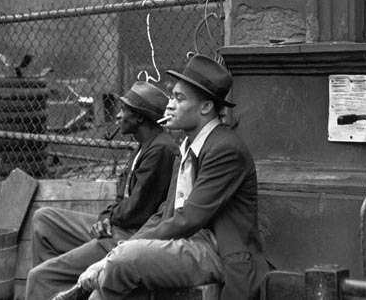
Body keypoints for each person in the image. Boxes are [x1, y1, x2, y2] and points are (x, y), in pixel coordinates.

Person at [47, 55, 270, 300]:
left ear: (206, 107)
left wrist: (123, 252)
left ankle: (85, 287)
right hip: (187, 244)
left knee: (125, 261)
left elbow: (188, 219)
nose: (169, 105)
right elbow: (166, 211)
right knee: (118, 266)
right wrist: (126, 246)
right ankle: (88, 287)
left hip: (217, 252)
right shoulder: (187, 146)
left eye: (179, 98)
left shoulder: (224, 149)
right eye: (171, 96)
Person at [27, 81, 178, 300]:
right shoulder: (142, 146)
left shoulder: (161, 150)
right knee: (43, 220)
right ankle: (63, 290)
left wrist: (109, 218)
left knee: (39, 277)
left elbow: (136, 211)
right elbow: (121, 199)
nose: (118, 115)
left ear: (139, 118)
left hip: (130, 238)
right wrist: (105, 217)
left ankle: (51, 283)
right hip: (117, 226)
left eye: (124, 110)